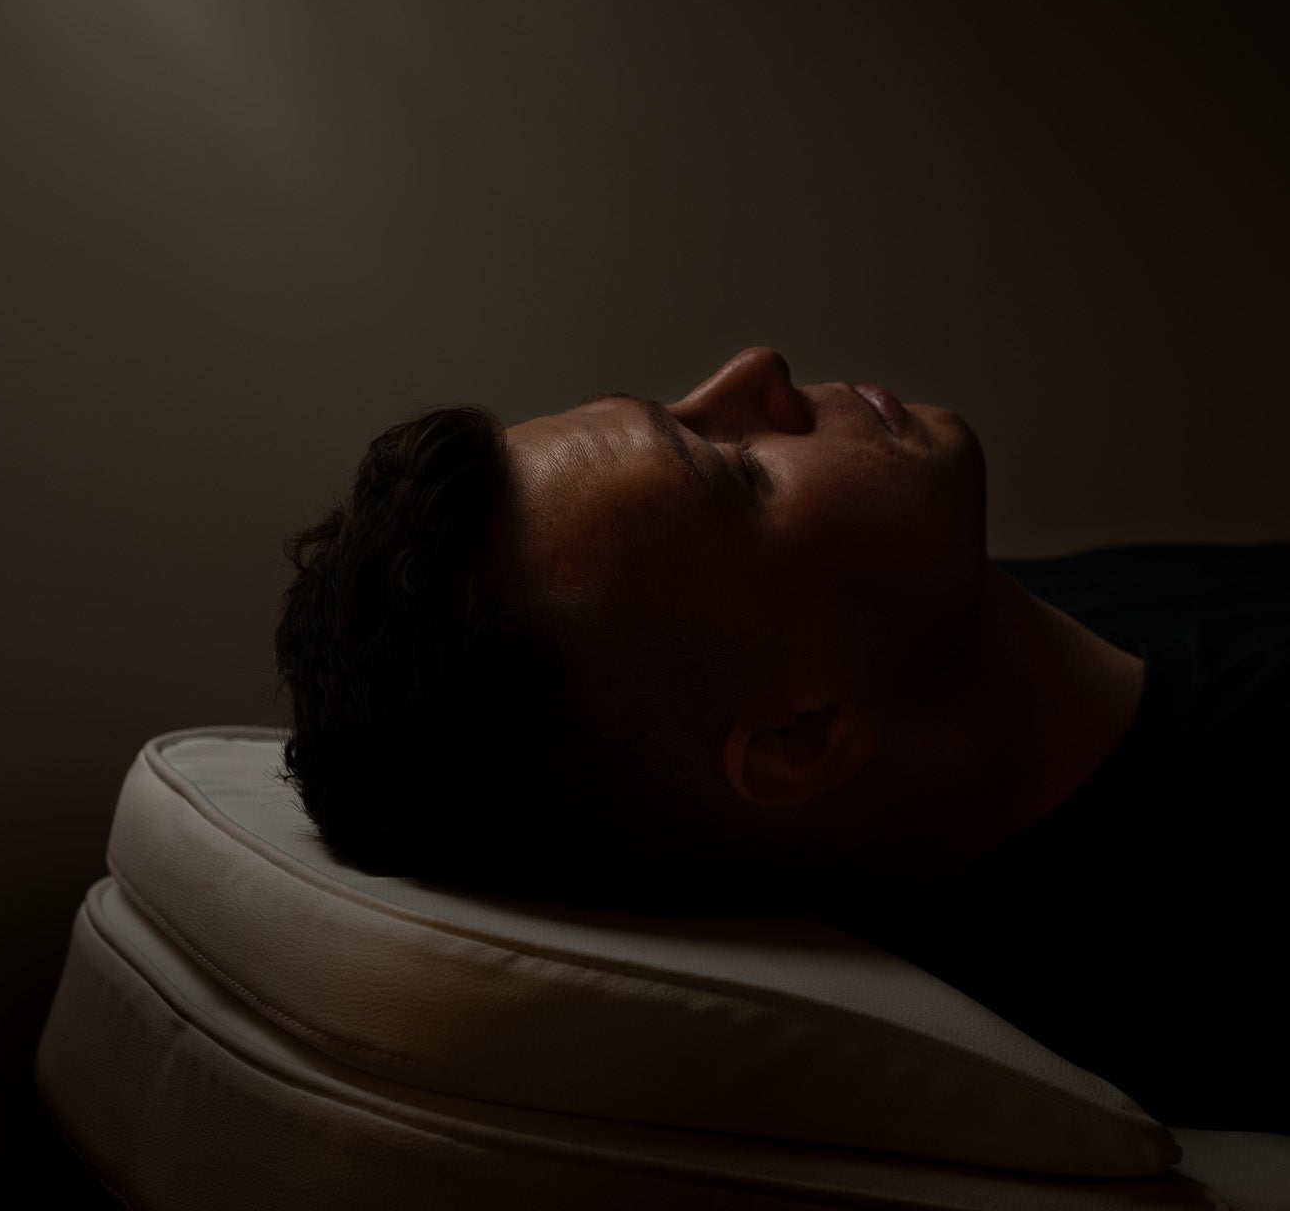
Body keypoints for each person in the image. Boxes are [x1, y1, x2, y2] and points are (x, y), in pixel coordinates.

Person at [274, 346, 1288, 1131]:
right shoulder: (1227, 925)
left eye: (683, 407)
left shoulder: (965, 633)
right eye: (742, 470)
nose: (757, 369)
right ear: (801, 738)